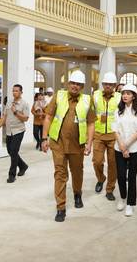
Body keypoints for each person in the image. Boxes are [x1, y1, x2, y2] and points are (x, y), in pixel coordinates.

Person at [41, 70, 95, 222]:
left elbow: (91, 123)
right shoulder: (58, 96)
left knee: (77, 172)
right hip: (58, 142)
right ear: (68, 84)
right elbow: (49, 117)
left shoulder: (87, 100)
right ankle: (61, 207)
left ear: (82, 86)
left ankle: (77, 193)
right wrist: (44, 138)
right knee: (60, 174)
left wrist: (89, 143)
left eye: (78, 84)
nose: (75, 86)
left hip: (78, 145)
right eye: (73, 83)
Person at [112, 84, 137, 217]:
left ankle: (130, 204)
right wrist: (122, 146)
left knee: (131, 177)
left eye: (128, 93)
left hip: (135, 149)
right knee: (120, 176)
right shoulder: (118, 111)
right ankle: (122, 197)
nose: (125, 95)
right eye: (123, 93)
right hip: (119, 148)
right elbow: (115, 129)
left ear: (134, 96)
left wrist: (126, 145)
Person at [91, 72, 121, 201]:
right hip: (98, 134)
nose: (108, 86)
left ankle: (110, 189)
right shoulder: (96, 95)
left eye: (111, 84)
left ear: (115, 85)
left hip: (113, 135)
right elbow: (91, 114)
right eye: (106, 84)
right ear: (103, 84)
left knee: (113, 164)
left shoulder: (120, 97)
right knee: (97, 161)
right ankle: (101, 178)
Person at [0, 84, 30, 183]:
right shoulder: (9, 102)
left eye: (16, 91)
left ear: (21, 92)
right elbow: (4, 116)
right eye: (13, 91)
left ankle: (12, 175)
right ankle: (23, 166)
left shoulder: (24, 104)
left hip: (19, 131)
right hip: (9, 131)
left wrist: (16, 112)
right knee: (10, 151)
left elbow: (26, 118)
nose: (14, 92)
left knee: (14, 152)